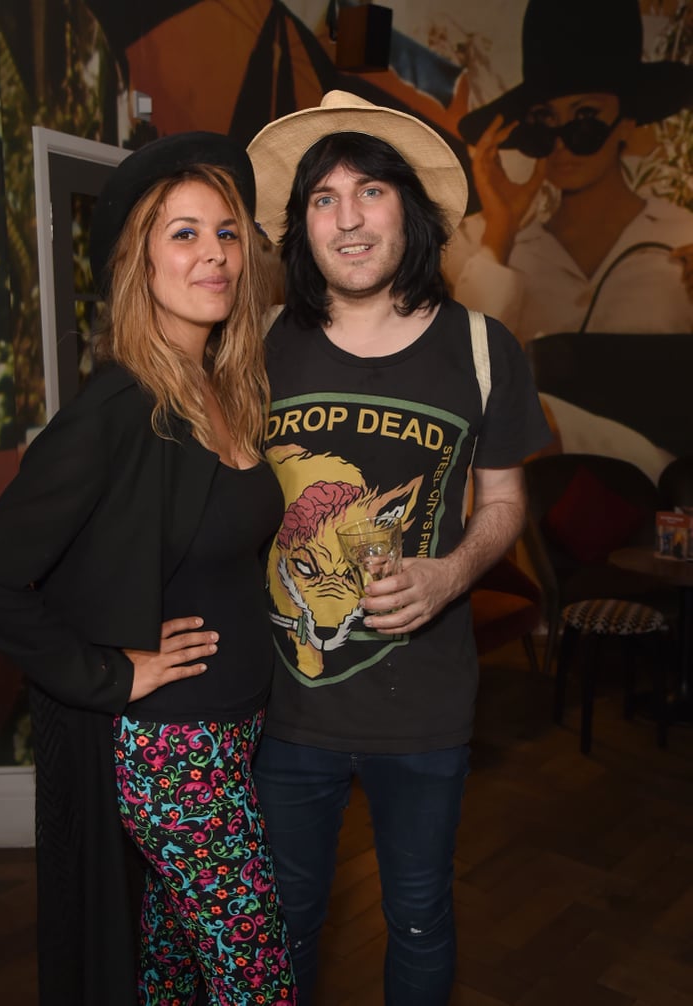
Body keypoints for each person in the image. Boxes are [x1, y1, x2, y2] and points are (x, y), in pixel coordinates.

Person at [0, 133, 296, 1006]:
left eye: (226, 232)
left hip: (236, 730)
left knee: (172, 975)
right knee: (261, 984)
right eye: (183, 233)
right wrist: (110, 672)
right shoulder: (117, 406)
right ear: (137, 261)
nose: (213, 254)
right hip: (176, 753)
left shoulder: (225, 387)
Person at [244, 90, 551, 1004]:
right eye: (323, 198)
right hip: (281, 706)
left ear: (408, 212)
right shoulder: (259, 346)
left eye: (369, 191)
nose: (348, 218)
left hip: (424, 704)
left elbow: (503, 499)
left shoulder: (484, 349)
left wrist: (451, 572)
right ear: (301, 227)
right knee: (284, 917)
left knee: (418, 915)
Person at [444, 0, 693, 482]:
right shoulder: (486, 245)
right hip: (535, 499)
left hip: (656, 482)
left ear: (627, 122)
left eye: (584, 117)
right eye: (543, 120)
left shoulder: (682, 237)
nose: (560, 142)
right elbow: (461, 383)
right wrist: (502, 231)